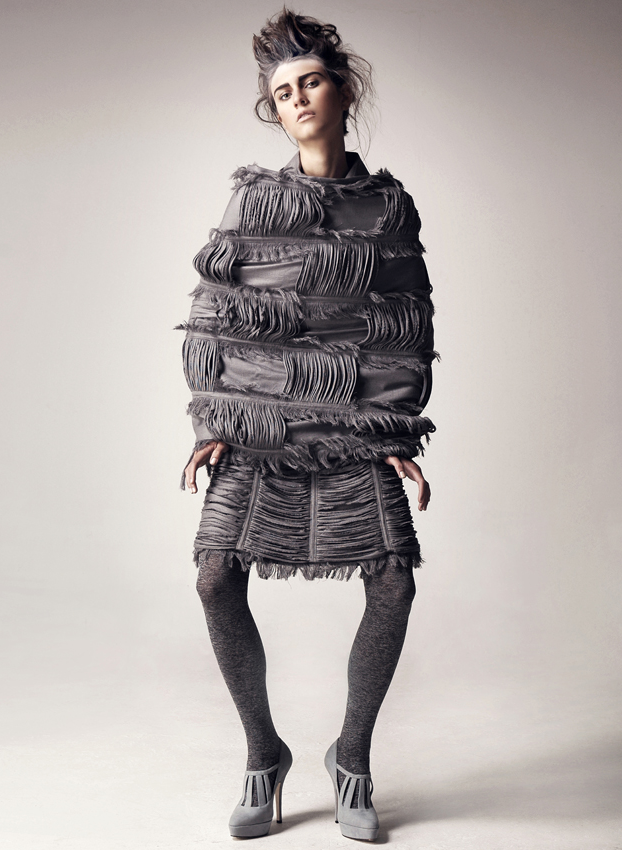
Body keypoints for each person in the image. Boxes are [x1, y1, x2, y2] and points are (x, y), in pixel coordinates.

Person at [180, 9, 436, 841]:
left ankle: (351, 758)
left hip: (355, 427)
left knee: (393, 580)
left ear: (342, 89)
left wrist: (394, 434)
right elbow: (216, 311)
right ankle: (265, 754)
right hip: (260, 428)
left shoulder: (388, 207)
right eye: (283, 90)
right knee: (215, 575)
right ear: (274, 107)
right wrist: (214, 417)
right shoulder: (253, 199)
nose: (297, 99)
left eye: (311, 81)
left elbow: (407, 325)